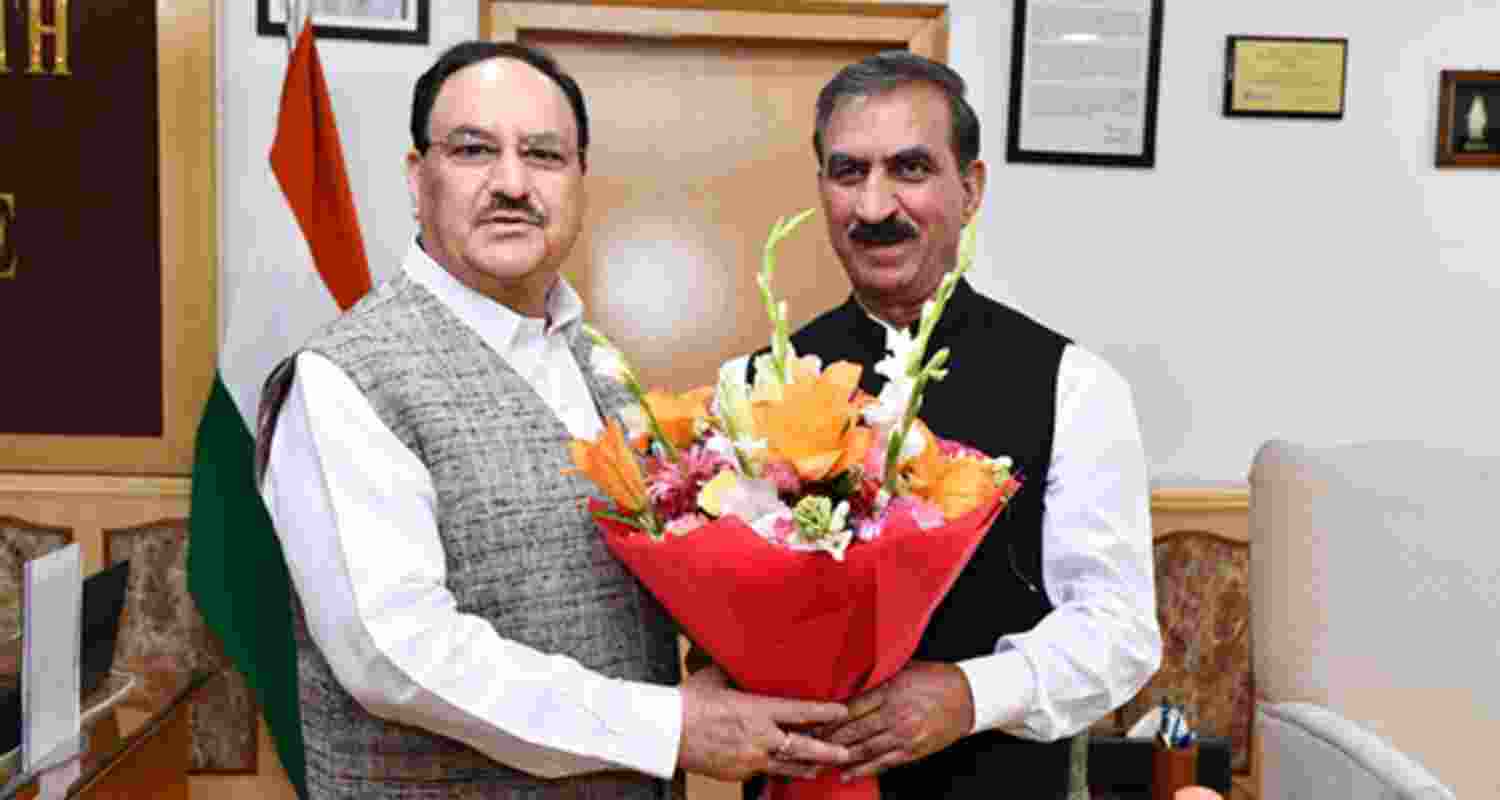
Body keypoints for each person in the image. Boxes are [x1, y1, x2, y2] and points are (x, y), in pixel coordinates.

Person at [255, 41, 852, 798]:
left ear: (579, 182)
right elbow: (395, 655)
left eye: (543, 155)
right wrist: (668, 727)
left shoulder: (601, 365)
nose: (511, 182)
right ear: (417, 179)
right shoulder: (344, 377)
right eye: (473, 150)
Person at [744, 52, 1162, 798]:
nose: (874, 208)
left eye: (909, 169)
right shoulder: (755, 383)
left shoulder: (1075, 386)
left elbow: (1120, 633)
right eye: (848, 173)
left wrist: (972, 693)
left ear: (970, 189)